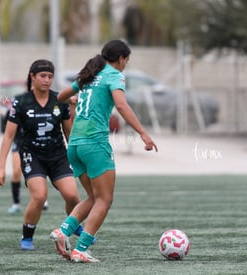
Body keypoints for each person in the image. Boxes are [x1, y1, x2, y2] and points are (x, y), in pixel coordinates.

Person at [50, 39, 158, 263]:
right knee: (105, 200)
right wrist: (143, 133)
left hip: (75, 143)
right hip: (95, 143)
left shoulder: (89, 75)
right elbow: (121, 105)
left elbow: (60, 96)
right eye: (126, 61)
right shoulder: (113, 75)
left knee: (93, 197)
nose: (125, 65)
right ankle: (81, 249)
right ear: (120, 59)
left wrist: (77, 100)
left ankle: (62, 231)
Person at [0, 59, 83, 250]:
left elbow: (69, 133)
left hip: (58, 155)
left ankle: (73, 224)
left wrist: (77, 158)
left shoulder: (60, 99)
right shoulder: (21, 101)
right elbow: (8, 137)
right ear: (32, 77)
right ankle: (27, 237)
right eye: (42, 76)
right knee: (40, 196)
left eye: (50, 76)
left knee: (73, 197)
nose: (47, 80)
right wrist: (1, 168)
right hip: (32, 155)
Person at [5, 111, 49, 214]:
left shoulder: (41, 108)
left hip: (35, 144)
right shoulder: (17, 107)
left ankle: (42, 199)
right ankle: (16, 204)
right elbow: (8, 131)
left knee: (39, 171)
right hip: (19, 143)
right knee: (16, 172)